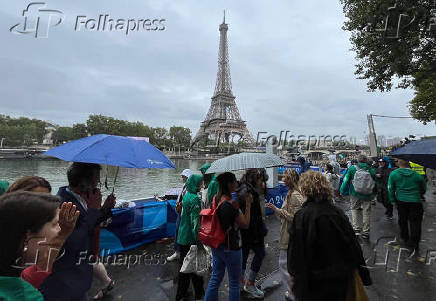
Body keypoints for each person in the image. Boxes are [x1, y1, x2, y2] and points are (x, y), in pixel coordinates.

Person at [288, 171, 372, 301]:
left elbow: (296, 250)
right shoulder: (337, 212)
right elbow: (353, 244)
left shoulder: (302, 215)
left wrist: (294, 277)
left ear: (304, 188)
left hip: (313, 279)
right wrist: (363, 274)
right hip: (340, 277)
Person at [40, 162, 116, 301]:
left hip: (78, 277)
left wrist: (104, 209)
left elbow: (90, 224)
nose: (98, 182)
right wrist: (93, 211)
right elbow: (73, 242)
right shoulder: (64, 205)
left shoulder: (82, 198)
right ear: (84, 182)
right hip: (65, 282)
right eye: (96, 179)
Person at [0, 191, 79, 301]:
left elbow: (35, 274)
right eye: (56, 224)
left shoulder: (10, 280)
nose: (62, 228)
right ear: (26, 238)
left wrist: (61, 237)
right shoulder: (25, 296)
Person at [204, 172, 253, 301]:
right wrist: (248, 204)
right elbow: (245, 224)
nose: (237, 184)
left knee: (215, 277)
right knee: (234, 283)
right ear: (230, 184)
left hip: (217, 244)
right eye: (235, 182)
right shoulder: (232, 204)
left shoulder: (215, 198)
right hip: (231, 247)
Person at [266, 169, 304, 301]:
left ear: (291, 180)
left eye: (286, 178)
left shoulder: (294, 195)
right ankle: (295, 291)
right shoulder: (292, 192)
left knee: (283, 264)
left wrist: (277, 210)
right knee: (289, 264)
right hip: (288, 233)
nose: (283, 180)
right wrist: (278, 210)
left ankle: (294, 293)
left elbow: (295, 217)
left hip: (289, 235)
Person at [236, 169, 265, 299]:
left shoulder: (244, 187)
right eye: (260, 179)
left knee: (245, 254)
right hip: (253, 230)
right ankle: (250, 283)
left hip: (247, 229)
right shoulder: (248, 191)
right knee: (260, 253)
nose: (261, 181)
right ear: (255, 178)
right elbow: (253, 214)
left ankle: (240, 282)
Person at [175, 174, 205, 301]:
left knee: (185, 268)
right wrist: (199, 242)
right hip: (190, 239)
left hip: (182, 237)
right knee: (195, 269)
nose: (202, 185)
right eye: (200, 183)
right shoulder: (194, 199)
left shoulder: (187, 196)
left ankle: (181, 294)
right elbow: (195, 224)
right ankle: (199, 295)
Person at [388, 159, 426, 251]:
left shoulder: (393, 174)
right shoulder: (417, 175)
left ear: (398, 164)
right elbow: (423, 188)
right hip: (415, 201)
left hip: (401, 201)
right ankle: (414, 242)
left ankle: (405, 238)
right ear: (408, 164)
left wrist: (392, 200)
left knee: (402, 220)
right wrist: (419, 194)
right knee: (415, 222)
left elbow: (390, 188)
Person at [340, 155, 377, 239]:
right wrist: (374, 193)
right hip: (367, 194)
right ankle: (366, 232)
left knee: (354, 209)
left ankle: (356, 229)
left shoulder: (352, 168)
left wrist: (342, 190)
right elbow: (375, 182)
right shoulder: (371, 170)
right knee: (366, 211)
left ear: (358, 160)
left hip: (355, 193)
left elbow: (346, 180)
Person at [167, 168, 192, 262]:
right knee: (177, 232)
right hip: (180, 213)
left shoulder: (190, 188)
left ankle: (183, 253)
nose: (182, 178)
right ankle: (177, 252)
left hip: (184, 214)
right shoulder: (184, 186)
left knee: (182, 233)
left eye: (184, 176)